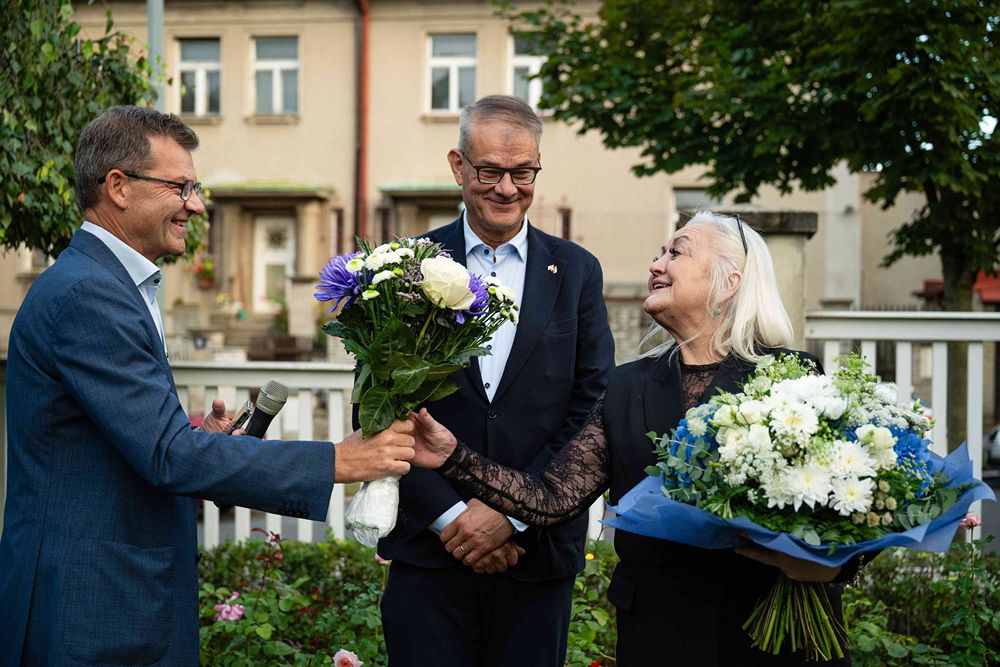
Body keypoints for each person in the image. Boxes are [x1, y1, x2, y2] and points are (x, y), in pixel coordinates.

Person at [0, 106, 416, 666]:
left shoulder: (108, 284)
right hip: (89, 604)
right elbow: (167, 456)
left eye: (193, 188)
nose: (195, 205)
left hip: (106, 593)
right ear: (118, 187)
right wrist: (337, 461)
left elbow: (132, 442)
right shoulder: (88, 295)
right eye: (180, 187)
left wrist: (202, 440)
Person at [409, 211, 864, 666]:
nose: (656, 264)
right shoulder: (626, 387)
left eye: (676, 252)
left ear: (729, 283)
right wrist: (452, 455)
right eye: (660, 253)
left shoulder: (788, 377)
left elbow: (851, 508)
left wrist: (827, 565)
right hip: (659, 635)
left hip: (768, 637)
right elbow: (551, 498)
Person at [374, 95, 616, 667]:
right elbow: (381, 407)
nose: (507, 188)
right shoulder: (404, 268)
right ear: (458, 166)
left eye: (523, 172)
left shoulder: (576, 271)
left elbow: (593, 408)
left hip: (537, 554)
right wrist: (454, 520)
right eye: (489, 171)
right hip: (429, 549)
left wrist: (510, 515)